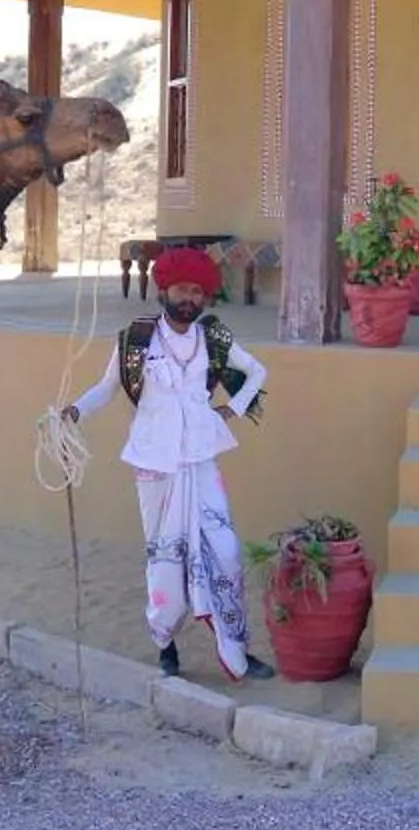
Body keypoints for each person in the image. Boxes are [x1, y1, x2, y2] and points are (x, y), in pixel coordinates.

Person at [61, 246, 275, 681]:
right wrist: (75, 412)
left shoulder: (213, 337)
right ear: (165, 289)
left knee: (226, 553)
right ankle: (165, 643)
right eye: (181, 289)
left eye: (197, 291)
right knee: (164, 560)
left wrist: (231, 410)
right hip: (154, 463)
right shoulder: (136, 339)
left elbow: (257, 372)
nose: (189, 298)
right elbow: (107, 388)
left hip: (200, 459)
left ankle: (236, 647)